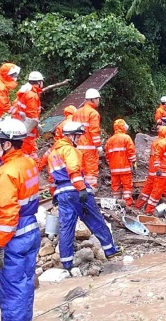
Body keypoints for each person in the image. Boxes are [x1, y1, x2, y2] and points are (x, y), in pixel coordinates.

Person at [47, 121, 122, 270]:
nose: (79, 139)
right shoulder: (70, 150)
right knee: (95, 220)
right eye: (78, 135)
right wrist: (81, 189)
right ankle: (110, 249)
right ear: (71, 135)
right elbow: (74, 170)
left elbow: (51, 179)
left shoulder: (53, 153)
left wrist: (54, 195)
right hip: (76, 192)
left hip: (62, 194)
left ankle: (66, 261)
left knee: (66, 227)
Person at [0, 118, 40, 321]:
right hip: (30, 232)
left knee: (11, 291)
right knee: (25, 285)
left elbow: (8, 215)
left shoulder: (6, 173)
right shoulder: (28, 163)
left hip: (14, 237)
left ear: (7, 143)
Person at [70, 88, 102, 189]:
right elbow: (94, 131)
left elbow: (73, 131)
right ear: (92, 99)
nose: (98, 101)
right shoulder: (93, 113)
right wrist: (98, 146)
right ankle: (90, 191)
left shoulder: (77, 113)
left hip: (78, 147)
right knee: (91, 172)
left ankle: (80, 190)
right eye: (97, 99)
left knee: (80, 170)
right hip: (89, 149)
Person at [133, 125, 166, 210]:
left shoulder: (155, 142)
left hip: (152, 171)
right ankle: (150, 210)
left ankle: (138, 206)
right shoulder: (164, 143)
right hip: (158, 171)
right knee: (157, 191)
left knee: (146, 190)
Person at [105, 118, 137, 207]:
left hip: (114, 170)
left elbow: (107, 156)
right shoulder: (126, 138)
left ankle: (116, 203)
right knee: (127, 187)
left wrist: (111, 165)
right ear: (123, 127)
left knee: (115, 187)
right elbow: (131, 152)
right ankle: (127, 203)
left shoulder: (110, 140)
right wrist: (133, 162)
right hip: (125, 168)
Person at [14, 71, 44, 159]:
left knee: (23, 146)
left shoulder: (25, 91)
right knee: (28, 148)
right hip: (28, 126)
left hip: (21, 122)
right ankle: (29, 166)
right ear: (39, 82)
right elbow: (32, 113)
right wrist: (37, 125)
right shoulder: (32, 95)